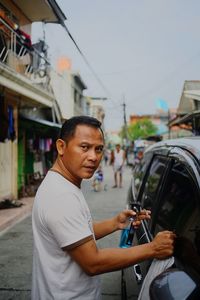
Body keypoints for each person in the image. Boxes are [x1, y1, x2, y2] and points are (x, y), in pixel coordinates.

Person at [31, 116, 176, 300]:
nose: (93, 157)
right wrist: (153, 249)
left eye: (98, 149)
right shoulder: (62, 196)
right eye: (84, 147)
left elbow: (75, 234)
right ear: (61, 147)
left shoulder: (61, 184)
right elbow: (93, 263)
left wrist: (115, 223)